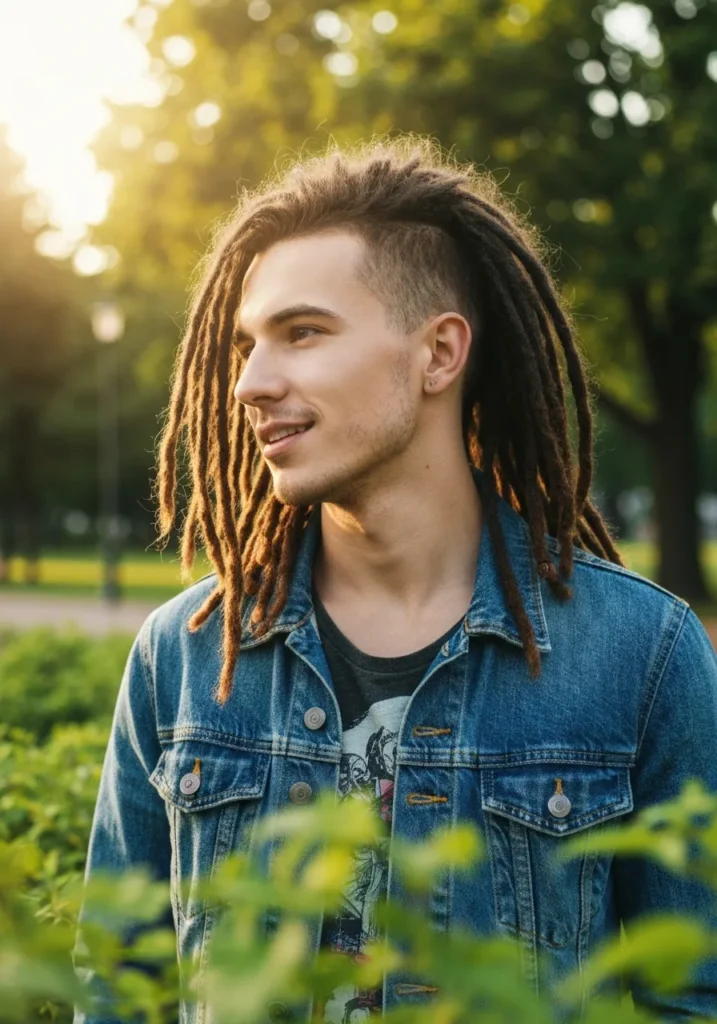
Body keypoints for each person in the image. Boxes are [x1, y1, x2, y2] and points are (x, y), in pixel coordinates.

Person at [73, 137, 717, 1023]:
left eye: (302, 333)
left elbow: (691, 997)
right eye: (245, 345)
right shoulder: (180, 657)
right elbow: (115, 986)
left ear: (439, 354)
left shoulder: (642, 658)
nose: (251, 384)